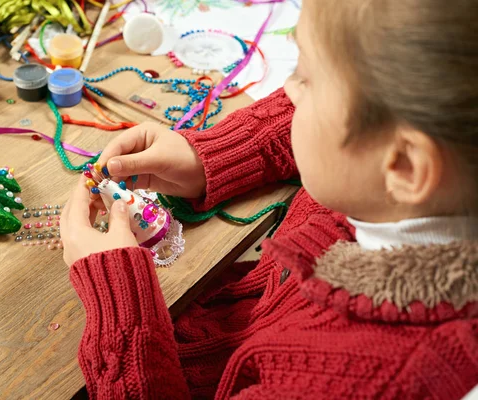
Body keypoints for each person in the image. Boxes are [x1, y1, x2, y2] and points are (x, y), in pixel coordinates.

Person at [60, 0, 478, 398]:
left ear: (404, 166)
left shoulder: (362, 381)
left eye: (306, 79)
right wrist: (214, 153)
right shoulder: (420, 187)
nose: (288, 92)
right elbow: (359, 106)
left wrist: (117, 301)